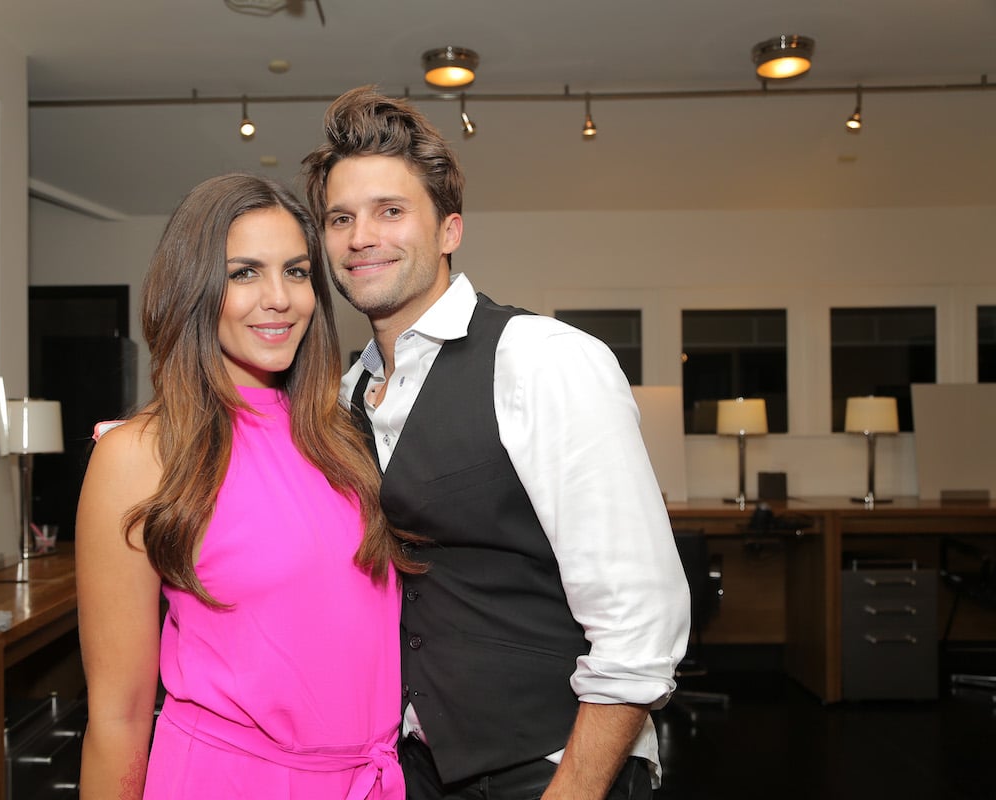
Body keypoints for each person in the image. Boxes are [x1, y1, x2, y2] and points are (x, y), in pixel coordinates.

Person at [302, 87, 692, 800]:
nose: (362, 236)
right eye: (340, 218)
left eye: (391, 211)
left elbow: (642, 621)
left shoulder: (542, 360)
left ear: (449, 230)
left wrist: (571, 789)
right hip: (412, 767)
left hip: (551, 765)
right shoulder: (344, 395)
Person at [75, 173, 419, 800]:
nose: (279, 298)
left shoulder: (340, 436)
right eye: (243, 273)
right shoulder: (140, 454)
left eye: (295, 271)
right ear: (194, 289)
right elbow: (118, 716)